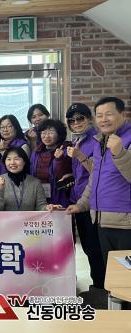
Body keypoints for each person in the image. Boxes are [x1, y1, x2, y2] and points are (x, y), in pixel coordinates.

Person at [66, 97, 131, 267]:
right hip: (102, 219)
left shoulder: (127, 139)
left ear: (122, 115)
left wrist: (120, 153)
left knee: (126, 275)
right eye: (100, 115)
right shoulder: (100, 141)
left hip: (126, 223)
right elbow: (95, 178)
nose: (103, 119)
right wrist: (81, 205)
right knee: (111, 271)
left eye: (108, 114)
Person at [63, 103, 105, 290]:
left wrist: (80, 156)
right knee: (88, 247)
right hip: (78, 200)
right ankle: (97, 286)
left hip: (93, 203)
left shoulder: (97, 140)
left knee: (95, 248)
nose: (76, 123)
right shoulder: (77, 140)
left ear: (89, 118)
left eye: (80, 118)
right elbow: (82, 173)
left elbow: (98, 172)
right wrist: (70, 176)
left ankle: (101, 287)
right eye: (72, 121)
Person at [0, 147, 49, 211]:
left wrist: (47, 208)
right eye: (9, 159)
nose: (12, 163)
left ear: (24, 162)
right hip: (6, 218)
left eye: (16, 159)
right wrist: (0, 189)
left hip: (28, 218)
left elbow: (41, 206)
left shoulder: (35, 182)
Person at [30, 119, 72, 206]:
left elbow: (64, 177)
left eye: (51, 132)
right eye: (43, 132)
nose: (46, 136)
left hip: (60, 197)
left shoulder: (67, 151)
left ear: (59, 134)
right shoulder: (36, 152)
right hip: (39, 196)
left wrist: (59, 159)